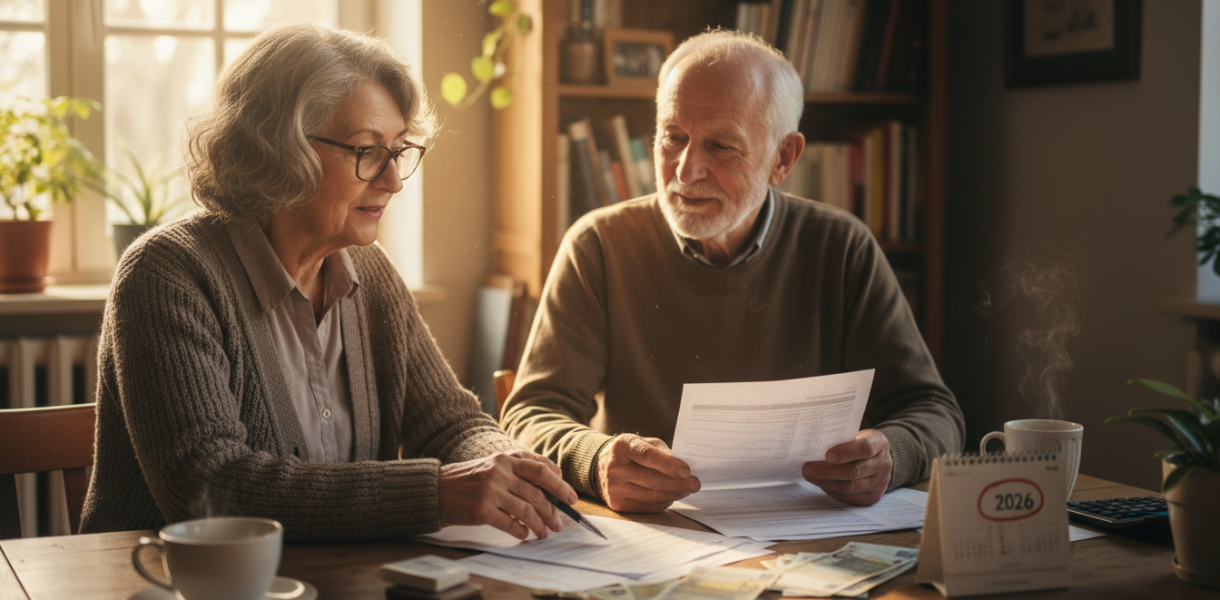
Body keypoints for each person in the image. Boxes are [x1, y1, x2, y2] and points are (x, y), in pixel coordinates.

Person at [80, 23, 576, 542]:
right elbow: (212, 490)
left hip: (336, 578)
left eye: (399, 150)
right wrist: (435, 492)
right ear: (276, 147)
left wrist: (507, 464)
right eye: (366, 152)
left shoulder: (373, 272)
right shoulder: (168, 274)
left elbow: (451, 422)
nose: (392, 181)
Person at [501, 30, 964, 512]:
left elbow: (935, 412)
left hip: (807, 537)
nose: (685, 170)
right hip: (653, 538)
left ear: (782, 158)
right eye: (672, 137)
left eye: (720, 146)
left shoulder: (841, 247)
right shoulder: (598, 245)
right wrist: (594, 459)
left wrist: (892, 455)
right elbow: (529, 413)